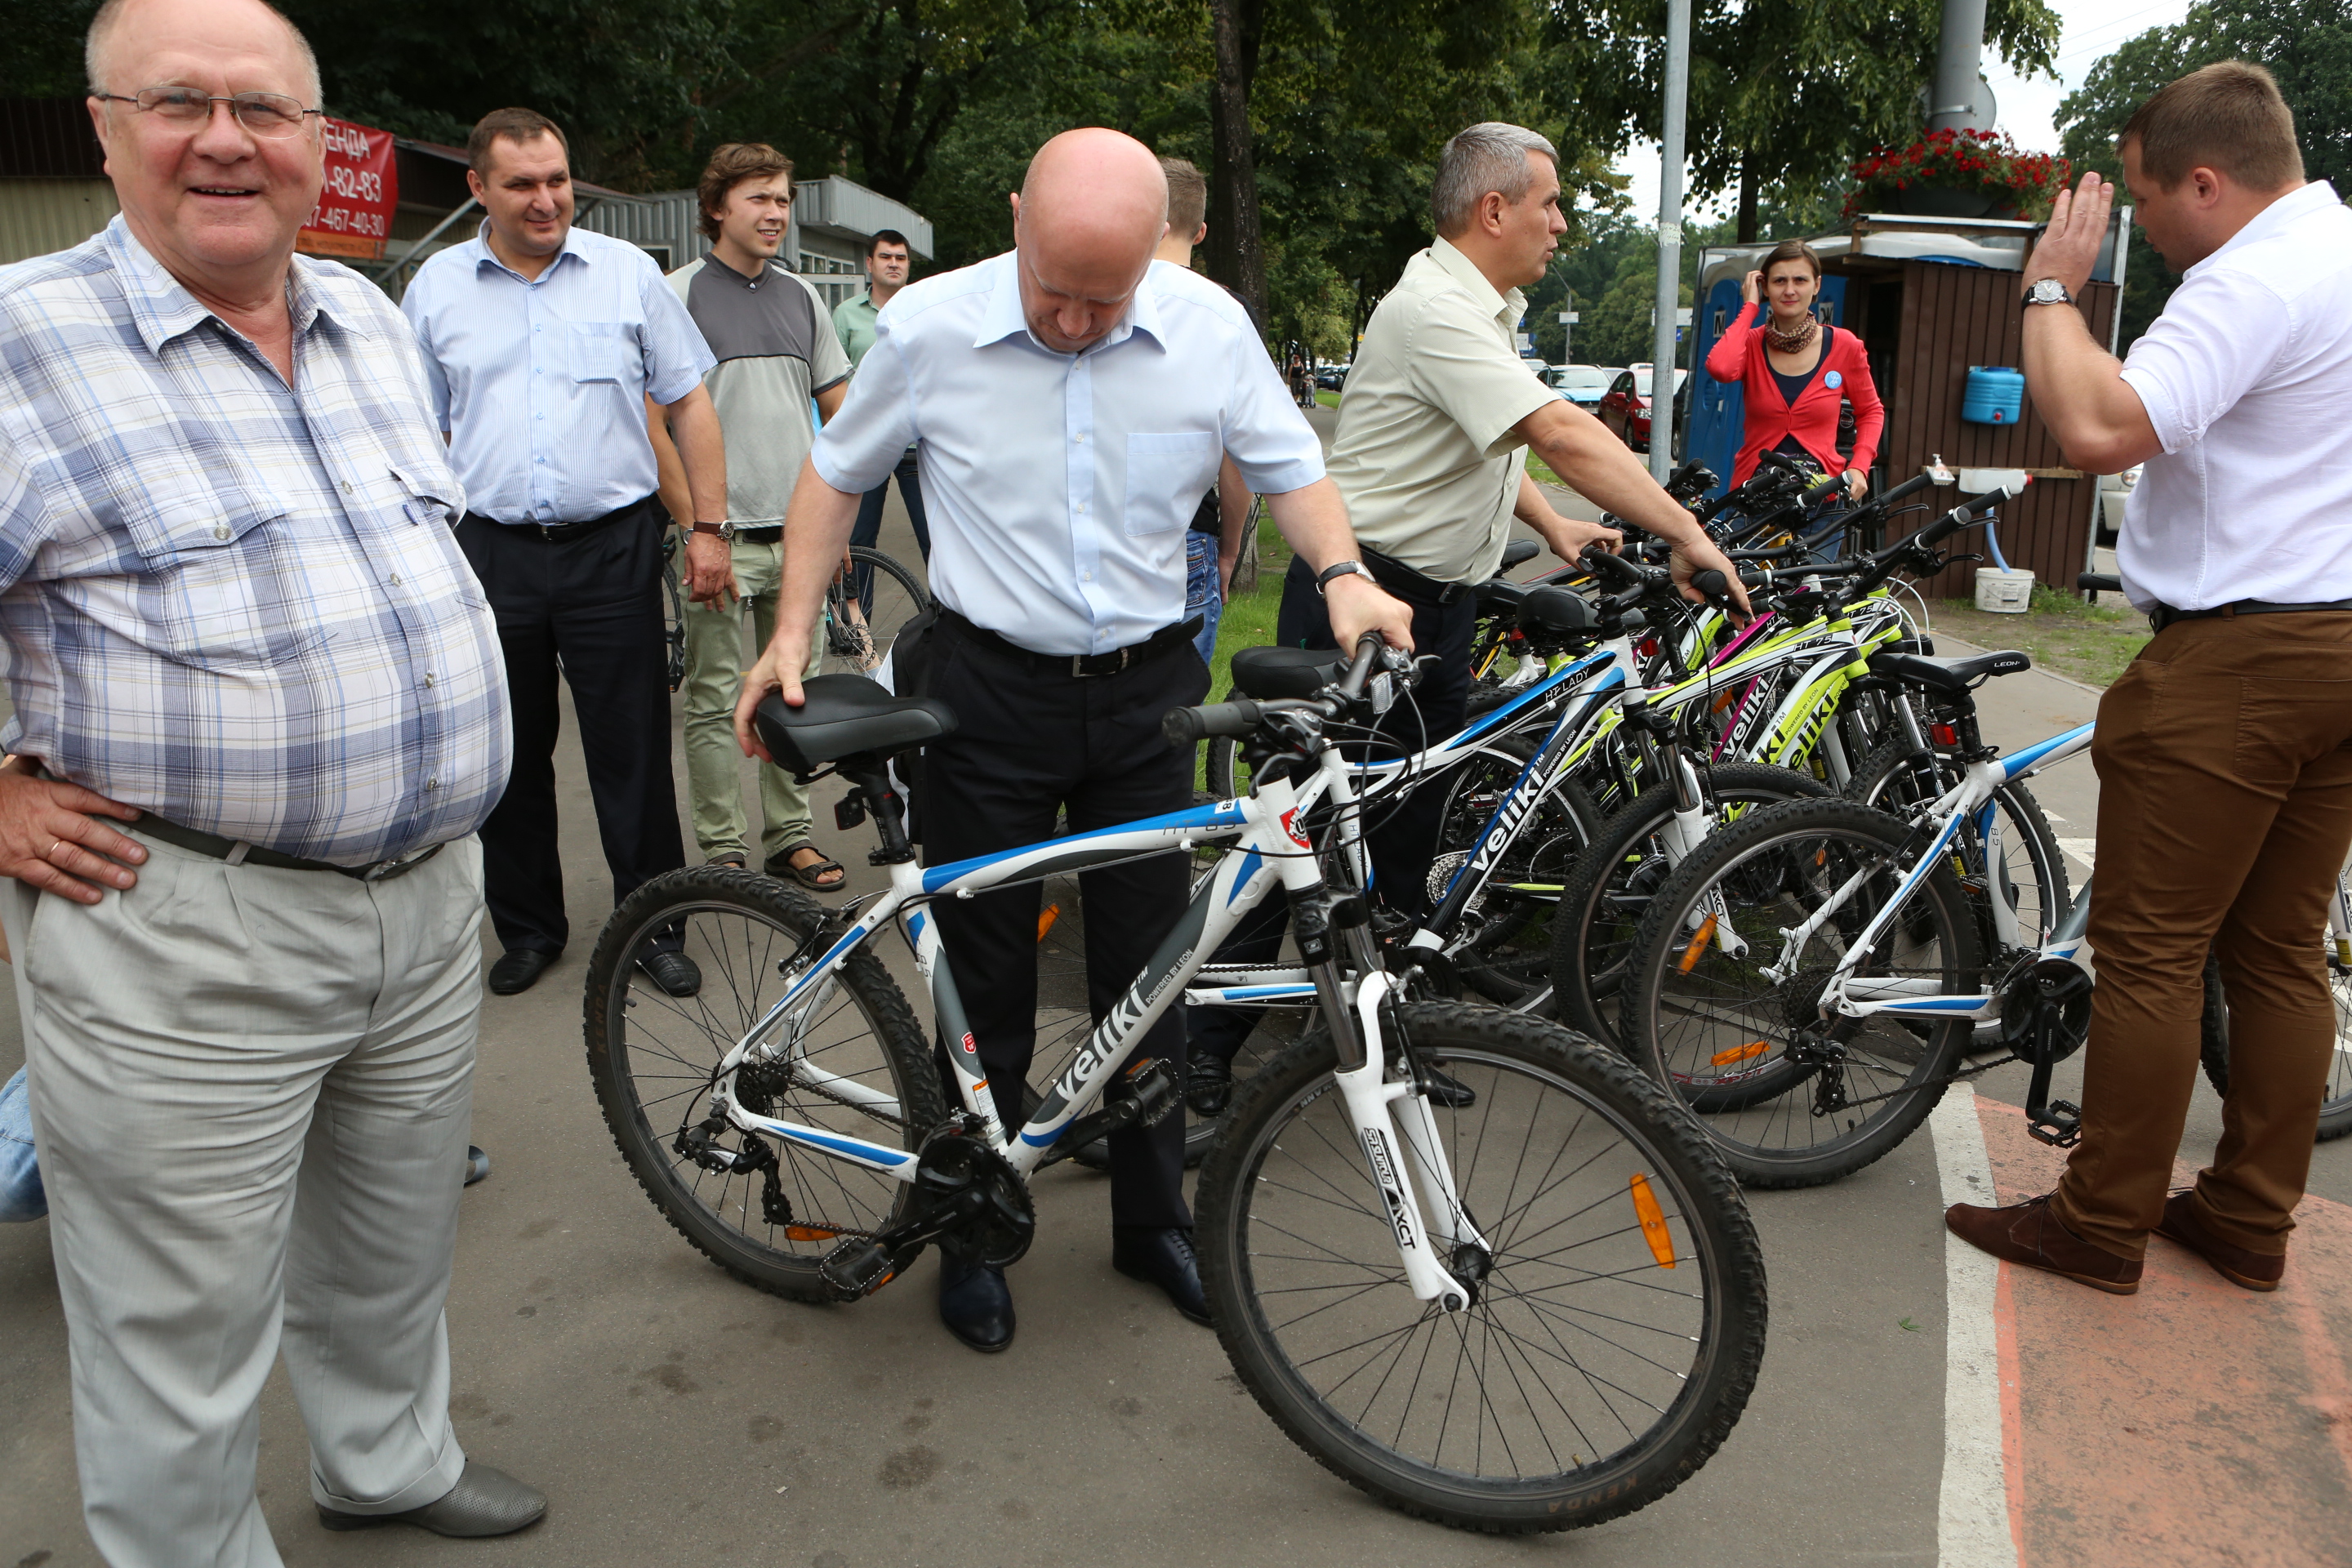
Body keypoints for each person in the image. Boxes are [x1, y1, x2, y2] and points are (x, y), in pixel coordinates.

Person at [0, 0, 545, 1556]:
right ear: (104, 126)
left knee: (391, 1241)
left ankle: (385, 1462)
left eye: (265, 109)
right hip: (184, 928)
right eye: (179, 101)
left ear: (323, 145)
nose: (226, 138)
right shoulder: (19, 340)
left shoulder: (372, 320)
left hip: (430, 905)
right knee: (178, 1321)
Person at [732, 128, 1412, 1353]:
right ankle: (972, 1230)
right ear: (1014, 221)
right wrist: (790, 634)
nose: (1082, 323)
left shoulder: (1205, 326)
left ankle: (1152, 1223)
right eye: (1056, 293)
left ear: (1153, 255)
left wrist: (1348, 573)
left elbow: (1290, 463)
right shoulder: (932, 328)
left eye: (1110, 299)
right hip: (986, 695)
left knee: (1148, 973)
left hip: (1146, 696)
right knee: (985, 969)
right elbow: (837, 476)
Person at [1183, 124, 1751, 1116]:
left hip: (1438, 605)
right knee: (1299, 834)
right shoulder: (1437, 308)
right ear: (1494, 210)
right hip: (1365, 600)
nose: (1564, 224)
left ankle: (1383, 1039)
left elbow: (1490, 443)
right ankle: (1198, 1052)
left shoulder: (1482, 307)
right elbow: (1557, 428)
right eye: (1551, 204)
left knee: (1405, 838)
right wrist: (1685, 532)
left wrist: (1557, 524)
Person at [1945, 62, 2352, 1296]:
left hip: (2243, 650)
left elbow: (2102, 427)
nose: (2145, 231)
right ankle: (2246, 1214)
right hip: (2339, 640)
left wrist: (2054, 291)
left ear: (2209, 182)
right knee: (2281, 948)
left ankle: (2100, 1218)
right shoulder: (2337, 248)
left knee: (2155, 950)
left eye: (2145, 200)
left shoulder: (2248, 281)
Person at [403, 108, 724, 999]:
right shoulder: (435, 289)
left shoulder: (627, 277)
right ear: (478, 189)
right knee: (508, 755)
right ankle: (531, 928)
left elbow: (690, 403)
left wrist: (708, 528)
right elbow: (413, 429)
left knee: (631, 752)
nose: (547, 200)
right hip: (488, 552)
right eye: (522, 184)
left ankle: (654, 926)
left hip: (612, 551)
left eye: (557, 180)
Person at [651, 143, 851, 890]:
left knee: (795, 692)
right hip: (720, 547)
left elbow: (844, 419)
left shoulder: (803, 297)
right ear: (716, 208)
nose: (776, 214)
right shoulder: (675, 296)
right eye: (759, 198)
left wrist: (837, 533)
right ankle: (724, 851)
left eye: (783, 199)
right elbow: (654, 427)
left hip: (800, 541)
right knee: (712, 700)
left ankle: (791, 838)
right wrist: (699, 532)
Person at [1155, 154, 1254, 666]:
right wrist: (1230, 548)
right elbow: (1237, 456)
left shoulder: (1101, 300)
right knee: (1180, 707)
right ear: (1201, 232)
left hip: (1103, 531)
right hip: (1193, 526)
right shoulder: (1228, 315)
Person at [1704, 238, 1882, 506]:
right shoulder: (1751, 343)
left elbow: (1871, 411)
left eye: (1800, 280)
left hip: (1823, 499)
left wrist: (1859, 466)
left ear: (1816, 286)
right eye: (1779, 281)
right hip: (1754, 498)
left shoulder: (1845, 346)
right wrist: (1750, 307)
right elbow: (1721, 368)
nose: (1789, 290)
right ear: (1764, 287)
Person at [833, 229, 930, 563]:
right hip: (867, 442)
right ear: (870, 263)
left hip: (917, 444)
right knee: (860, 543)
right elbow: (833, 380)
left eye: (901, 258)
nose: (894, 264)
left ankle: (947, 614)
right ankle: (861, 617)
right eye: (886, 257)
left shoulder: (926, 309)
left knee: (935, 538)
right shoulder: (845, 315)